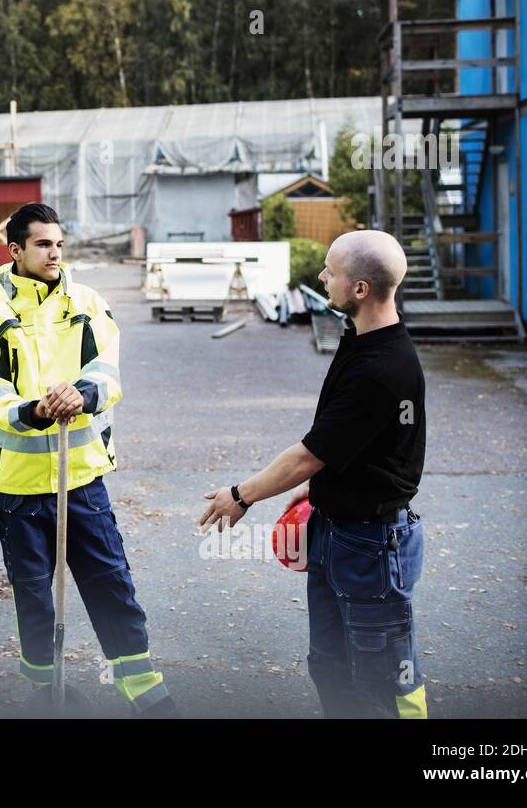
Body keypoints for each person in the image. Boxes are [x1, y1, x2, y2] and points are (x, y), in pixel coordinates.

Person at [198, 229, 428, 718]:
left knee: (380, 684)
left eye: (331, 271)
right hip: (338, 533)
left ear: (361, 289)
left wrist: (242, 495)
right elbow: (349, 443)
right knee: (330, 667)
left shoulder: (382, 368)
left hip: (371, 547)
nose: (322, 277)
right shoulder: (363, 342)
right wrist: (315, 488)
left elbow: (308, 452)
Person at [0, 203, 177, 716]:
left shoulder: (86, 303)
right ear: (15, 251)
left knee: (110, 584)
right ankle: (45, 693)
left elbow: (108, 369)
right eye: (42, 244)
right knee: (35, 598)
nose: (54, 252)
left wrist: (81, 394)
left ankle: (143, 690)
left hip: (80, 478)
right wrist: (35, 410)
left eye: (58, 243)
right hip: (16, 487)